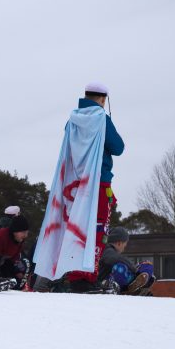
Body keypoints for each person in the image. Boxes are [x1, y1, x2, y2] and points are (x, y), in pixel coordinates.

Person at [33, 82, 124, 293]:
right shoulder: (102, 119)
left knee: (74, 229)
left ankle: (73, 275)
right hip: (99, 183)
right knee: (98, 229)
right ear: (103, 100)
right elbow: (118, 147)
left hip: (73, 186)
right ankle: (85, 278)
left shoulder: (71, 120)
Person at [0, 206, 30, 289]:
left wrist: (14, 275)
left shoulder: (19, 238)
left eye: (27, 233)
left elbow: (11, 261)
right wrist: (0, 281)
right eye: (23, 232)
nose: (26, 236)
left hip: (2, 259)